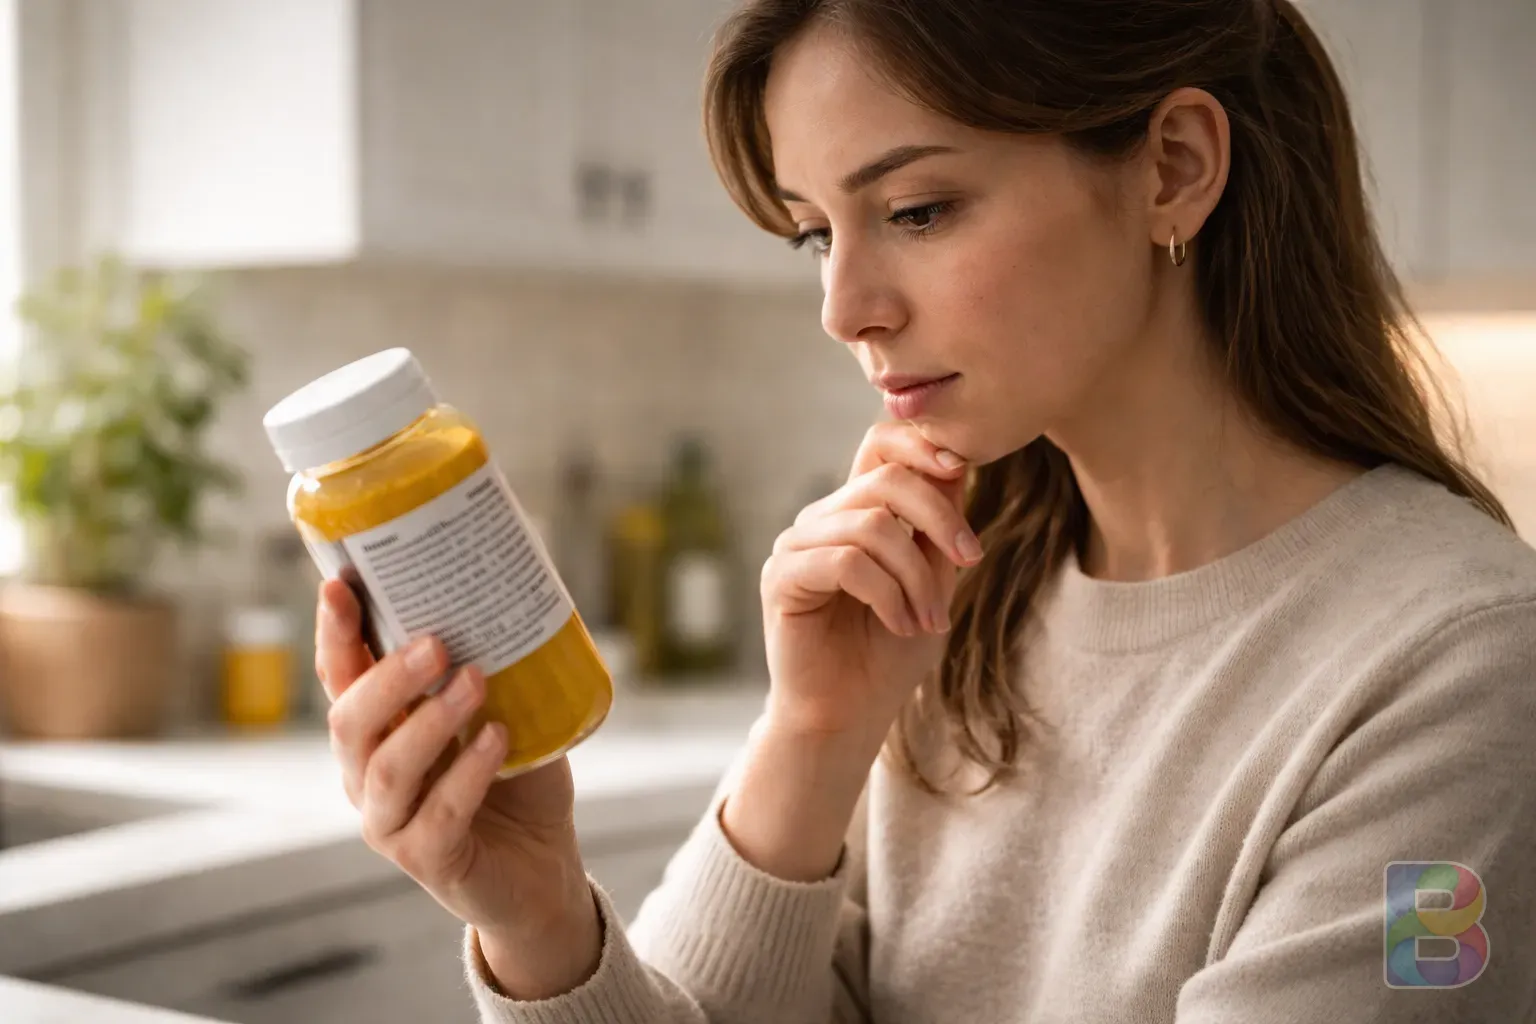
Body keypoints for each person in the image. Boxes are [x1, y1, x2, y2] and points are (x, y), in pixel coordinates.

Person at [315, 1, 1536, 1021]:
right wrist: (552, 911)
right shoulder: (947, 602)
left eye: (915, 211)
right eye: (814, 234)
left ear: (1173, 166)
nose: (844, 308)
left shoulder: (1463, 666)